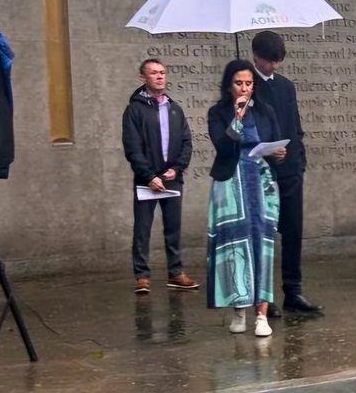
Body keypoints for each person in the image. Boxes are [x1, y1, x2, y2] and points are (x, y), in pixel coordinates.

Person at [206, 59, 285, 337]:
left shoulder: (266, 111)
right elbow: (222, 147)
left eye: (249, 83)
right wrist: (237, 118)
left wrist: (278, 153)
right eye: (239, 83)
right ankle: (238, 308)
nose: (244, 88)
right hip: (230, 183)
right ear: (229, 86)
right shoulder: (217, 113)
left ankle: (261, 315)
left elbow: (274, 142)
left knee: (262, 244)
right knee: (235, 245)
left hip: (261, 183)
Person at [250, 30, 322, 316]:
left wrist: (298, 158)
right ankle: (263, 296)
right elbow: (241, 132)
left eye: (278, 61)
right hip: (262, 171)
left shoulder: (286, 86)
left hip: (290, 169)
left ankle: (293, 290)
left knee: (292, 230)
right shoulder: (245, 86)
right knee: (264, 233)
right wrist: (265, 148)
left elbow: (295, 125)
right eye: (269, 61)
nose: (274, 67)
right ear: (256, 56)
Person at [121, 58, 197, 294]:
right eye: (154, 73)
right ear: (143, 78)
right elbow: (132, 147)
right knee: (142, 229)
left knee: (173, 227)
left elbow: (186, 142)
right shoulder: (134, 110)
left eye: (162, 72)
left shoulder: (175, 109)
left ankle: (175, 273)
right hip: (147, 181)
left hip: (172, 178)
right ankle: (141, 276)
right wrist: (148, 175)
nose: (159, 77)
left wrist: (177, 168)